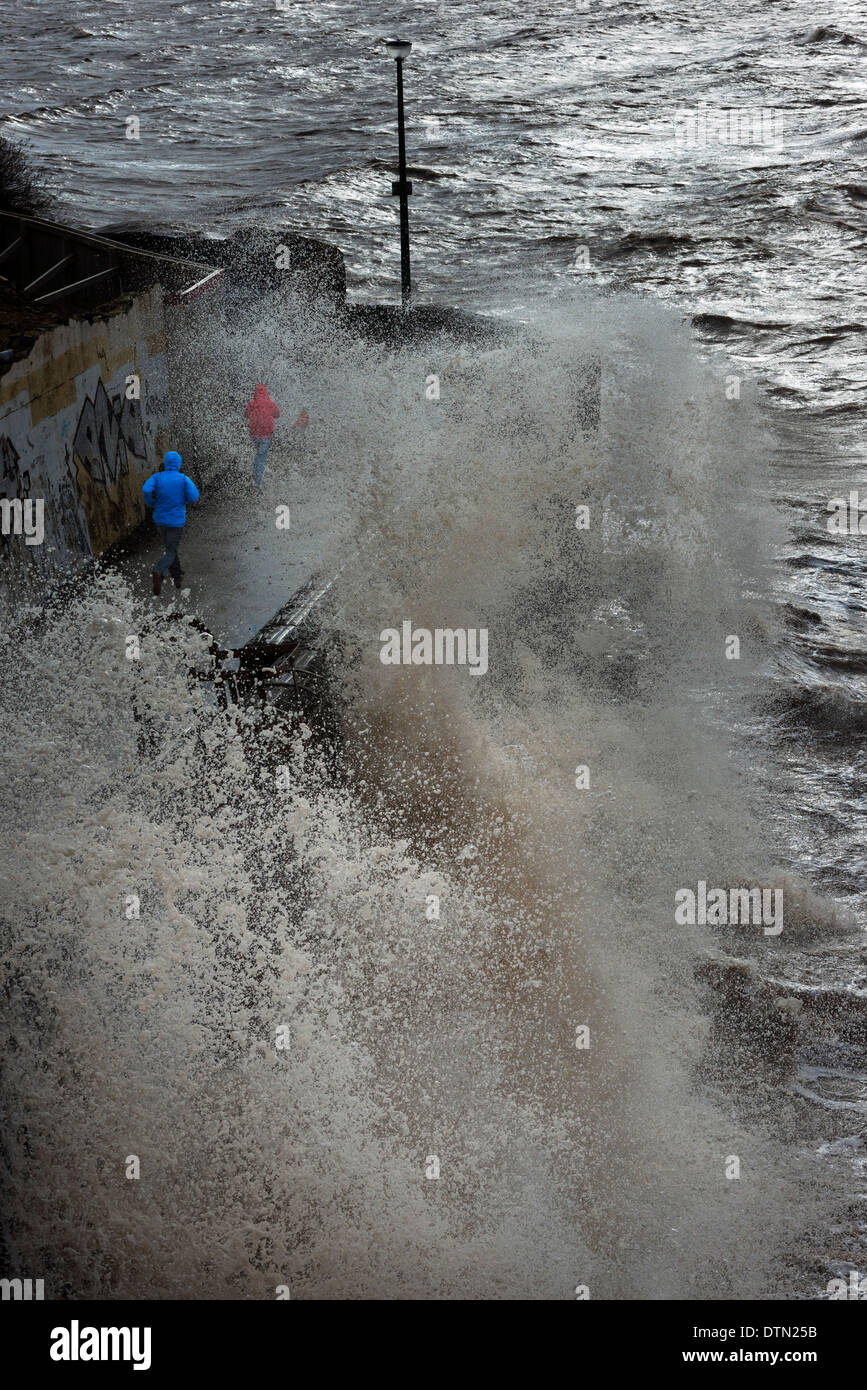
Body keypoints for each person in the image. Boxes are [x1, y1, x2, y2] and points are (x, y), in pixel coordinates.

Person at [142, 450, 199, 596]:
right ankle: (158, 571)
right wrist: (183, 499)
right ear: (178, 464)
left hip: (160, 520)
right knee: (171, 550)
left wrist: (151, 502)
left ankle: (177, 576)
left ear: (166, 463)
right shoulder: (183, 478)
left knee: (170, 548)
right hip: (176, 521)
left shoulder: (157, 477)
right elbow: (194, 497)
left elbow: (146, 489)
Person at [244, 384, 280, 486]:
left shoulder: (252, 403)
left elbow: (246, 415)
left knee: (256, 455)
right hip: (266, 436)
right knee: (261, 458)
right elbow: (277, 415)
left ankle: (253, 474)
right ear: (266, 393)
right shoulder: (270, 404)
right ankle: (257, 483)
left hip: (254, 436)